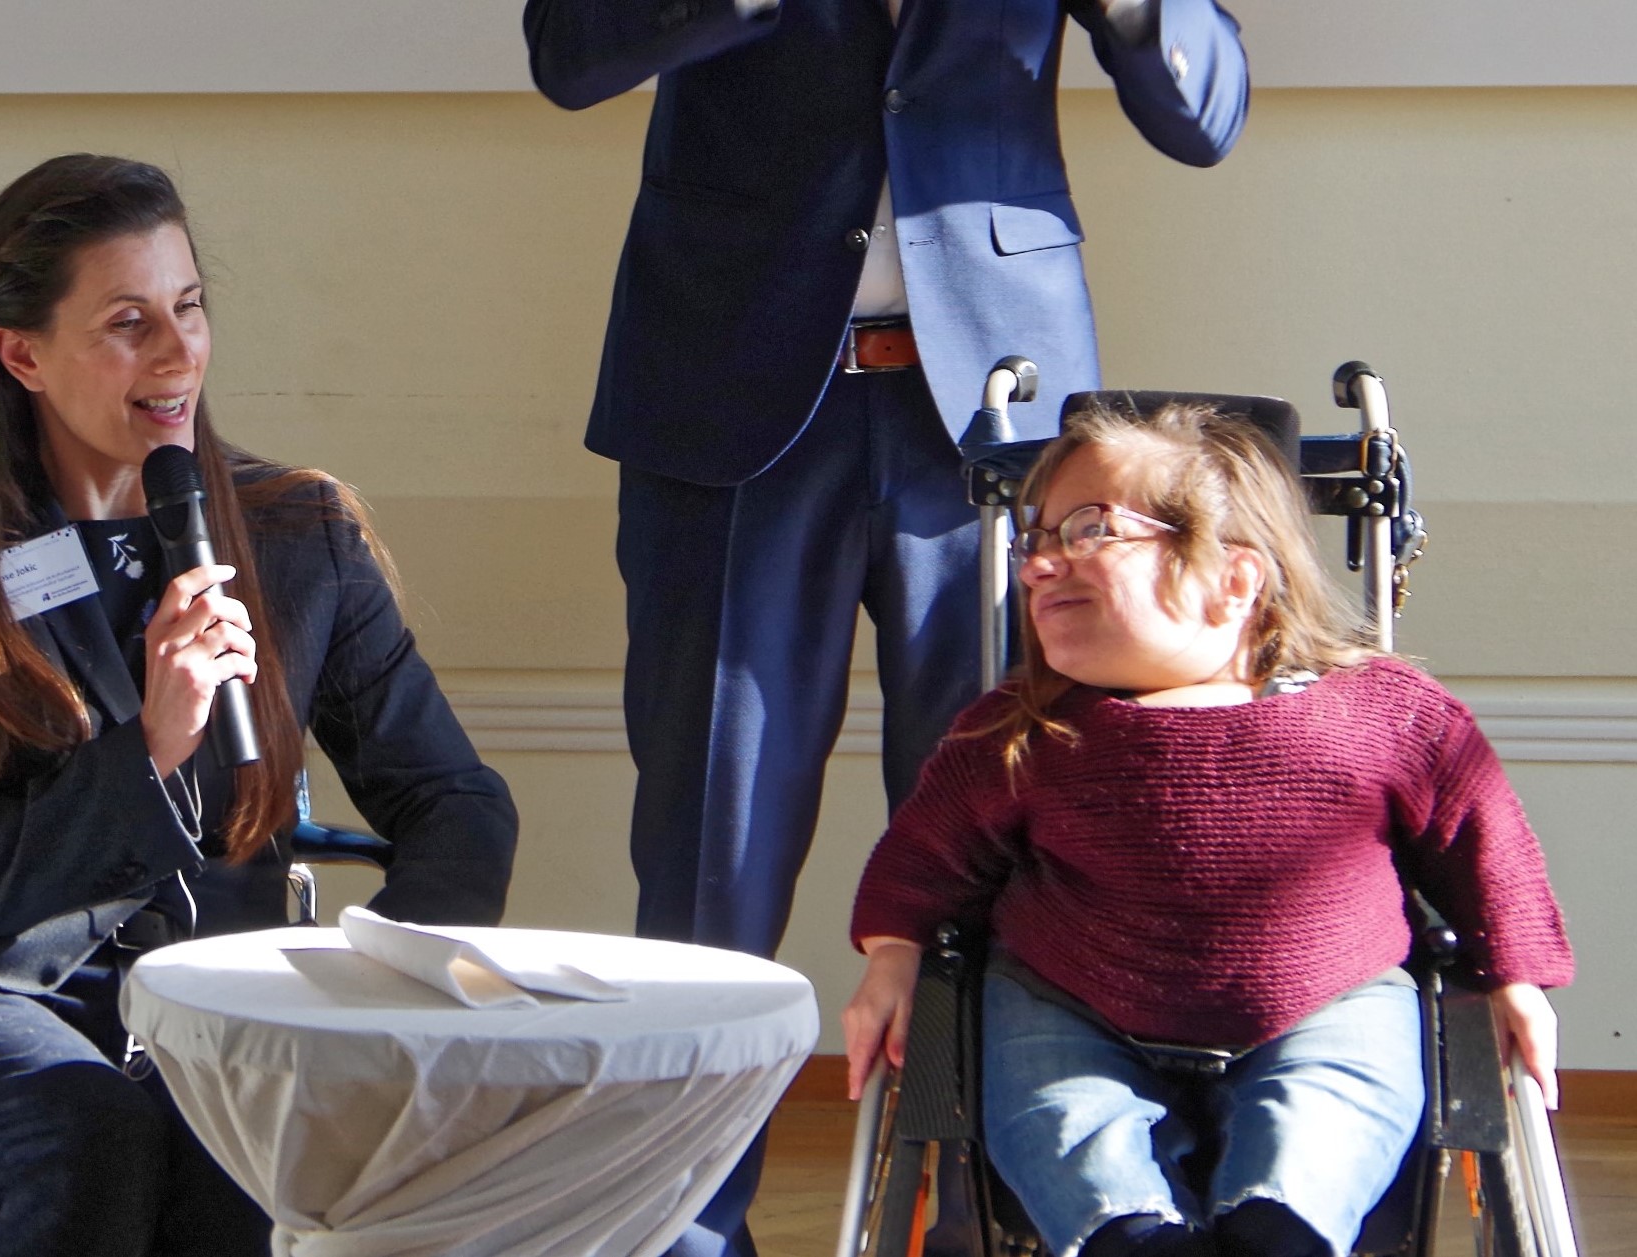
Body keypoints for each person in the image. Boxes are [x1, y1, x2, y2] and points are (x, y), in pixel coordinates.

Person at [527, 4, 1250, 1249]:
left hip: (994, 421)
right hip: (731, 403)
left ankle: (985, 1222)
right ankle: (690, 1230)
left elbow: (1207, 112)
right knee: (714, 850)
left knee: (1005, 861)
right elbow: (570, 51)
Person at [0, 153, 518, 1256]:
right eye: (128, 322)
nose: (179, 350)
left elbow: (455, 800)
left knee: (253, 1136)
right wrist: (149, 749)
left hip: (215, 1005)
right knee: (91, 1128)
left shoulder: (297, 532)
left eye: (189, 307)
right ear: (21, 354)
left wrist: (387, 987)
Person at [843, 404, 1573, 1257]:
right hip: (1074, 1005)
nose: (1040, 563)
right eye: (1035, 538)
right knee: (1056, 1112)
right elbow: (927, 855)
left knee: (1333, 1110)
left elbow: (1483, 841)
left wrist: (1515, 978)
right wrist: (893, 955)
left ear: (1235, 578)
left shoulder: (1383, 712)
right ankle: (1135, 1234)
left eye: (1089, 529)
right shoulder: (1022, 728)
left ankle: (1280, 1227)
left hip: (1324, 1003)